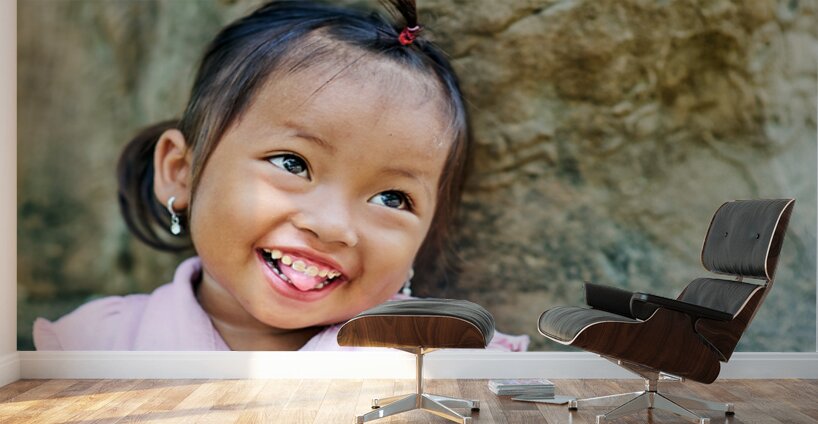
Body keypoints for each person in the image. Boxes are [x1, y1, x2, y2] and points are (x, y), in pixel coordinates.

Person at [33, 0, 530, 352]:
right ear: (181, 173)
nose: (332, 226)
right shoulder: (96, 345)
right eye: (293, 164)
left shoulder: (442, 364)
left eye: (392, 198)